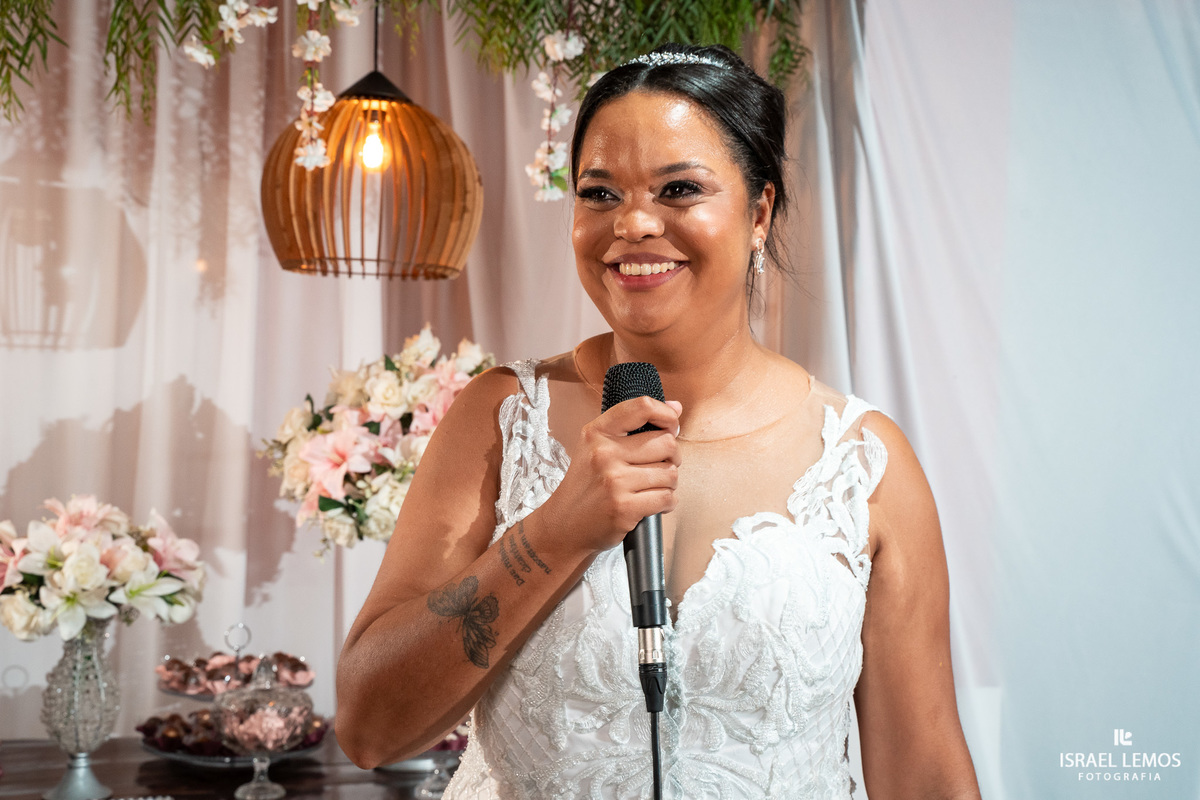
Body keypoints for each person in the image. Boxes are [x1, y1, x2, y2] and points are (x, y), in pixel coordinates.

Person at [336, 42, 982, 799]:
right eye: (599, 193)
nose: (634, 223)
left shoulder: (863, 464)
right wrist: (555, 533)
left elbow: (925, 774)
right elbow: (369, 727)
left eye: (679, 188)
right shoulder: (501, 417)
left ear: (759, 211)